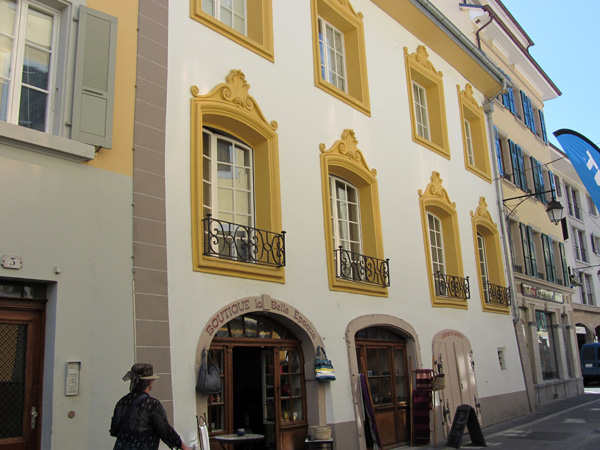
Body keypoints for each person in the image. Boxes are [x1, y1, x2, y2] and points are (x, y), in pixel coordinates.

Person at [110, 363, 191, 450]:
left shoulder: (122, 402)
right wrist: (183, 447)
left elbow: (114, 430)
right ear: (149, 383)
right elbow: (165, 430)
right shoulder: (152, 404)